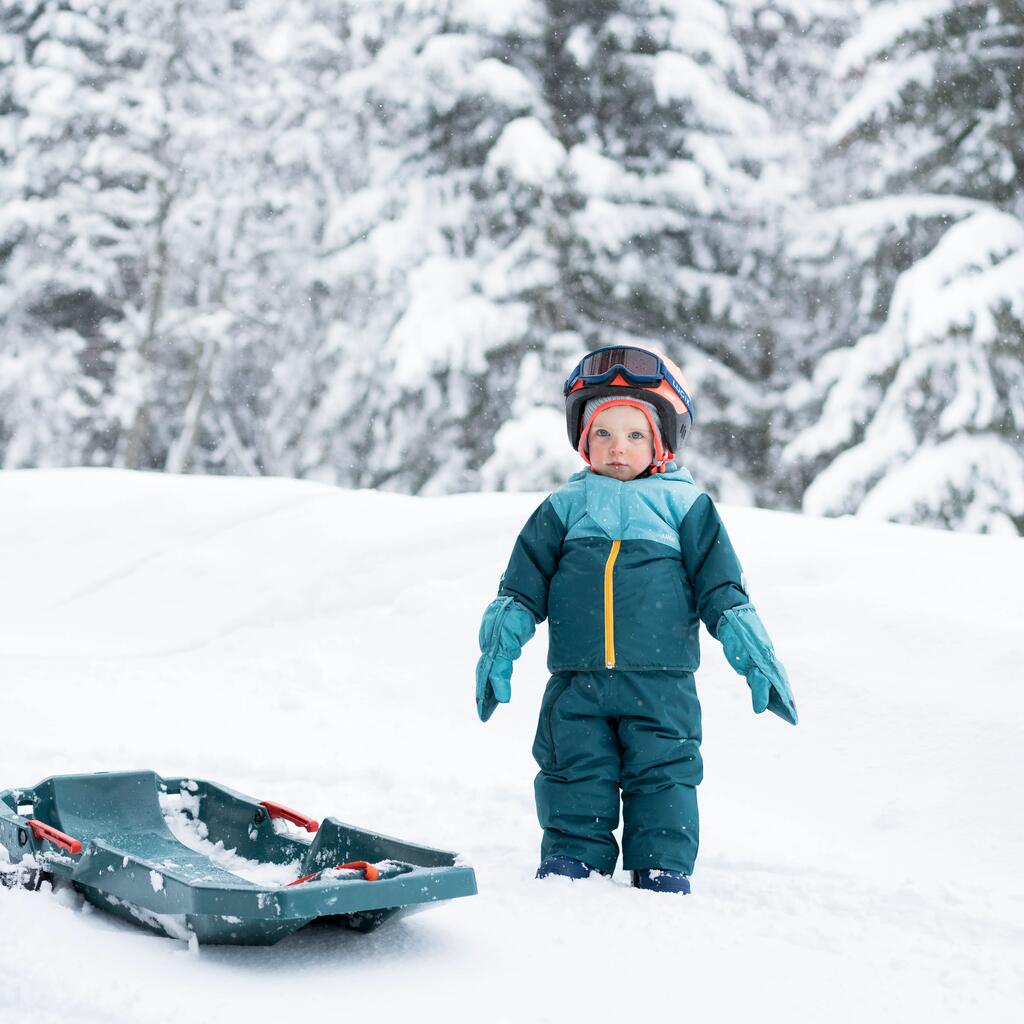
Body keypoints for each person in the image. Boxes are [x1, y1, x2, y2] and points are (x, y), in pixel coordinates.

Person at [474, 344, 798, 894]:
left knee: (664, 772)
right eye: (603, 433)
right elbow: (522, 585)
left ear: (661, 443)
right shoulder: (563, 507)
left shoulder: (686, 507)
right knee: (572, 770)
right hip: (576, 681)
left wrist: (755, 657)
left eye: (634, 434)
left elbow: (723, 590)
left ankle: (663, 863)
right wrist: (499, 649)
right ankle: (573, 861)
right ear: (583, 441)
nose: (616, 448)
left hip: (662, 684)